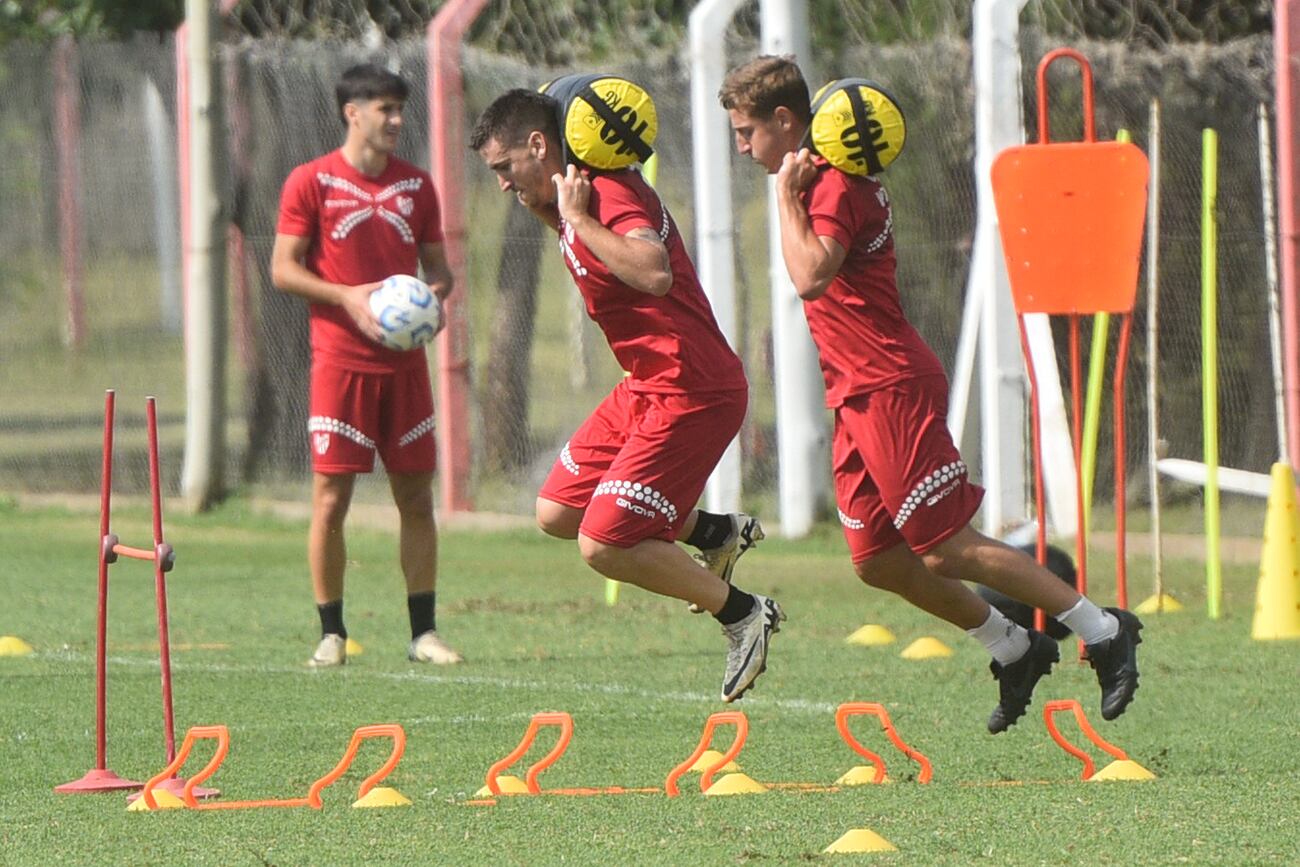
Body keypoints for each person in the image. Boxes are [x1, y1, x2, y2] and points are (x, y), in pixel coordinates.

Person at [719, 55, 1142, 731]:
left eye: (747, 131)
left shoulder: (831, 183)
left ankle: (1102, 629)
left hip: (888, 384)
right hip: (857, 393)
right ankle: (1013, 644)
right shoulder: (819, 178)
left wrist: (784, 198)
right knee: (877, 560)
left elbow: (809, 276)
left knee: (944, 545)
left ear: (785, 121)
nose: (742, 146)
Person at [469, 87, 782, 702]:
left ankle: (743, 613)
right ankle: (714, 534)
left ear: (540, 145)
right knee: (558, 512)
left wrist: (580, 218)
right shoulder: (571, 196)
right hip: (647, 385)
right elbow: (572, 232)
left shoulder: (604, 194)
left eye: (505, 168)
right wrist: (563, 212)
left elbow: (652, 268)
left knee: (605, 542)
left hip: (693, 388)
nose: (502, 184)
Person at [270, 63, 462, 668]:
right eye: (386, 109)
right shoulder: (312, 181)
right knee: (331, 497)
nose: (397, 120)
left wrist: (431, 301)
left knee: (416, 497)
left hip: (404, 369)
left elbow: (441, 269)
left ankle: (423, 634)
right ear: (352, 112)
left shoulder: (416, 186)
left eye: (401, 109)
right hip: (340, 364)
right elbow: (283, 269)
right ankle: (331, 632)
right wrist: (348, 295)